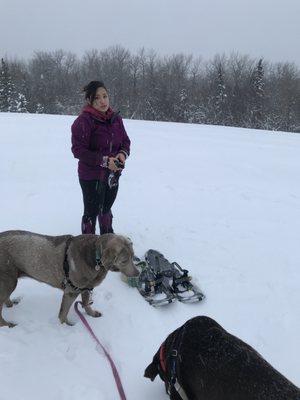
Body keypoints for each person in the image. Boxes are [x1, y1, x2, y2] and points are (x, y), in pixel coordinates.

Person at [71, 80, 130, 235]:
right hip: (91, 177)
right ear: (90, 101)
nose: (103, 101)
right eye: (97, 98)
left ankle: (107, 240)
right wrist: (105, 161)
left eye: (105, 96)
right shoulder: (83, 122)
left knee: (106, 208)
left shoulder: (116, 119)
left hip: (112, 175)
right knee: (91, 212)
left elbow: (125, 141)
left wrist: (122, 155)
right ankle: (87, 246)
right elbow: (78, 151)